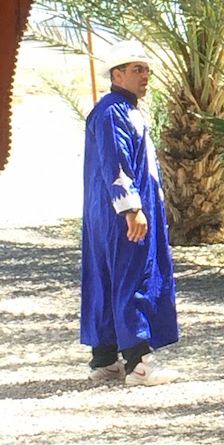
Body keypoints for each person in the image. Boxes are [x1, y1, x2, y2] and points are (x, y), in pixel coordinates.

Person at [81, 39, 179, 386]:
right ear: (117, 73)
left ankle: (105, 359)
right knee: (132, 276)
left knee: (109, 278)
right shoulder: (112, 112)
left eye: (146, 69)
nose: (144, 76)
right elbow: (116, 162)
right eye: (137, 69)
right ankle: (139, 362)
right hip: (120, 215)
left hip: (110, 214)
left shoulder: (124, 110)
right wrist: (131, 208)